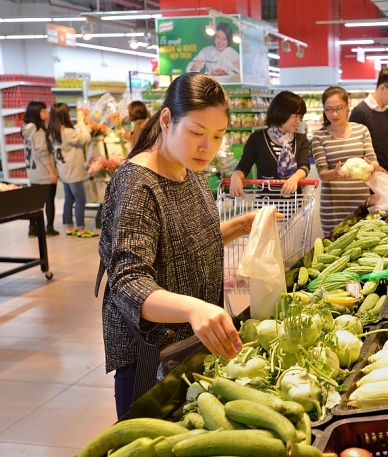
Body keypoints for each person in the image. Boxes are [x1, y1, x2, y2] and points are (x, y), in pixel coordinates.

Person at [99, 73, 257, 418]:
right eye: (197, 133)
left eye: (218, 136)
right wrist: (192, 308)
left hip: (188, 349)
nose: (207, 147)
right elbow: (128, 282)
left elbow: (182, 241)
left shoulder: (191, 168)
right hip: (150, 359)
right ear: (167, 120)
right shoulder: (137, 185)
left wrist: (238, 227)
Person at [312, 86, 380, 235]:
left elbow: (374, 161)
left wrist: (372, 167)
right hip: (333, 206)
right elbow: (322, 173)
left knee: (361, 246)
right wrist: (336, 172)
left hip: (360, 203)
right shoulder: (319, 137)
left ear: (347, 106)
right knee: (333, 249)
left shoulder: (361, 130)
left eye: (339, 108)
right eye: (329, 109)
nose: (334, 114)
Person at [230, 91, 310, 198]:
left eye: (300, 116)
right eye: (294, 115)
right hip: (266, 203)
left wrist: (294, 178)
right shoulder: (257, 139)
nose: (298, 120)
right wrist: (235, 177)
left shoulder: (301, 139)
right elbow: (244, 165)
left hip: (294, 203)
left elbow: (304, 165)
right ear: (280, 111)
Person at [47, 103, 95, 238]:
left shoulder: (52, 132)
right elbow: (86, 138)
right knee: (80, 199)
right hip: (73, 171)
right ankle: (81, 228)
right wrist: (81, 123)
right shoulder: (67, 132)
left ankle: (69, 226)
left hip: (63, 170)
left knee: (69, 198)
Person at [22, 101, 59, 237]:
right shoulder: (38, 131)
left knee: (35, 202)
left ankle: (33, 228)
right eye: (43, 111)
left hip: (33, 171)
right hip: (44, 172)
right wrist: (51, 172)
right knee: (49, 200)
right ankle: (49, 228)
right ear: (36, 113)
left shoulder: (26, 128)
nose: (46, 113)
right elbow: (42, 152)